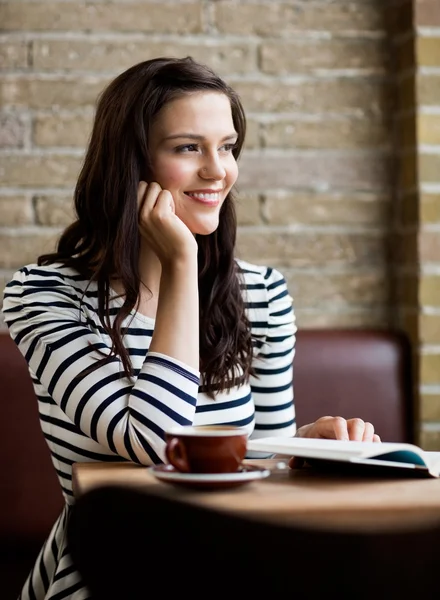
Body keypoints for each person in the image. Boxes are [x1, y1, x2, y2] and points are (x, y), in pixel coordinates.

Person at [1, 56, 380, 600]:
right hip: (113, 569)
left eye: (226, 147)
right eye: (187, 148)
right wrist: (180, 264)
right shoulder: (46, 296)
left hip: (235, 559)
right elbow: (157, 444)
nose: (217, 170)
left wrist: (299, 451)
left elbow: (258, 467)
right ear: (131, 163)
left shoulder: (262, 294)